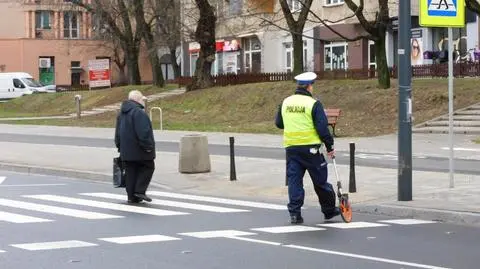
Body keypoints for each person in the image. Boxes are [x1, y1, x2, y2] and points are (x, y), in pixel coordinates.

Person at [275, 72, 340, 224]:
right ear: (310, 86)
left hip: (292, 149)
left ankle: (295, 214)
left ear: (298, 85)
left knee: (294, 181)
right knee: (320, 182)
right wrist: (330, 146)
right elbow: (322, 128)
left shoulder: (286, 102)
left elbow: (279, 123)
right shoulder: (313, 103)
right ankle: (329, 211)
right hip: (311, 150)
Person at [115, 90, 155, 203]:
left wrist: (119, 146)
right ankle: (140, 191)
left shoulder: (121, 114)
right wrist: (148, 147)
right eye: (142, 99)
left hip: (125, 151)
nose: (143, 101)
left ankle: (131, 196)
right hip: (140, 150)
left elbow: (117, 133)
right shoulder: (139, 113)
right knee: (148, 167)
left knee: (131, 172)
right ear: (137, 100)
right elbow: (144, 133)